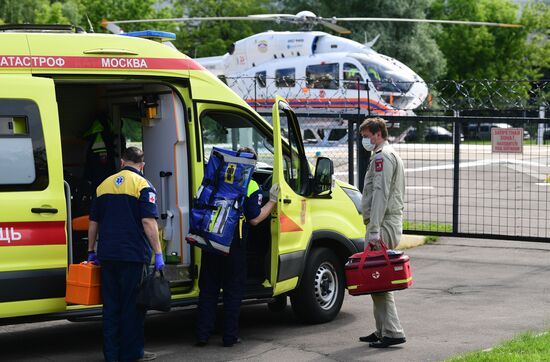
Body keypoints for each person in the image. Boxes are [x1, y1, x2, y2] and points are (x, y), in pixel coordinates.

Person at [196, 147, 279, 347]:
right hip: (234, 246)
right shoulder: (250, 184)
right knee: (233, 292)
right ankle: (229, 337)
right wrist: (273, 201)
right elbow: (255, 219)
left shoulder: (216, 178)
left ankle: (202, 335)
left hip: (210, 241)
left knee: (208, 290)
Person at [87, 146, 164, 362]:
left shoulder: (103, 186)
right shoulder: (143, 186)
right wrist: (158, 253)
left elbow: (94, 222)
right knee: (133, 307)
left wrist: (91, 250)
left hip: (108, 255)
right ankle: (131, 355)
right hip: (133, 256)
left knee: (111, 307)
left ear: (122, 162)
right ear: (142, 165)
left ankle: (111, 355)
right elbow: (148, 221)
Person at [358, 117, 407, 348]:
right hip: (385, 222)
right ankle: (382, 330)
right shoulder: (384, 154)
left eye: (366, 136)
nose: (364, 141)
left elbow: (381, 194)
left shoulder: (382, 157)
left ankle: (393, 331)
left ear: (378, 133)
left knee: (380, 278)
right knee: (376, 279)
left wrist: (375, 230)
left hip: (383, 224)